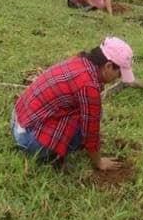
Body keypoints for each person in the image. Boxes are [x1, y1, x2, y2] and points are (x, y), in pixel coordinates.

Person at [11, 36, 135, 170]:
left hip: (18, 119)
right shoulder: (89, 86)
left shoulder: (80, 60)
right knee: (87, 122)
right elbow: (91, 131)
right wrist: (98, 162)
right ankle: (49, 156)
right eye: (119, 74)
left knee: (89, 111)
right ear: (108, 66)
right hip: (29, 140)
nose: (118, 78)